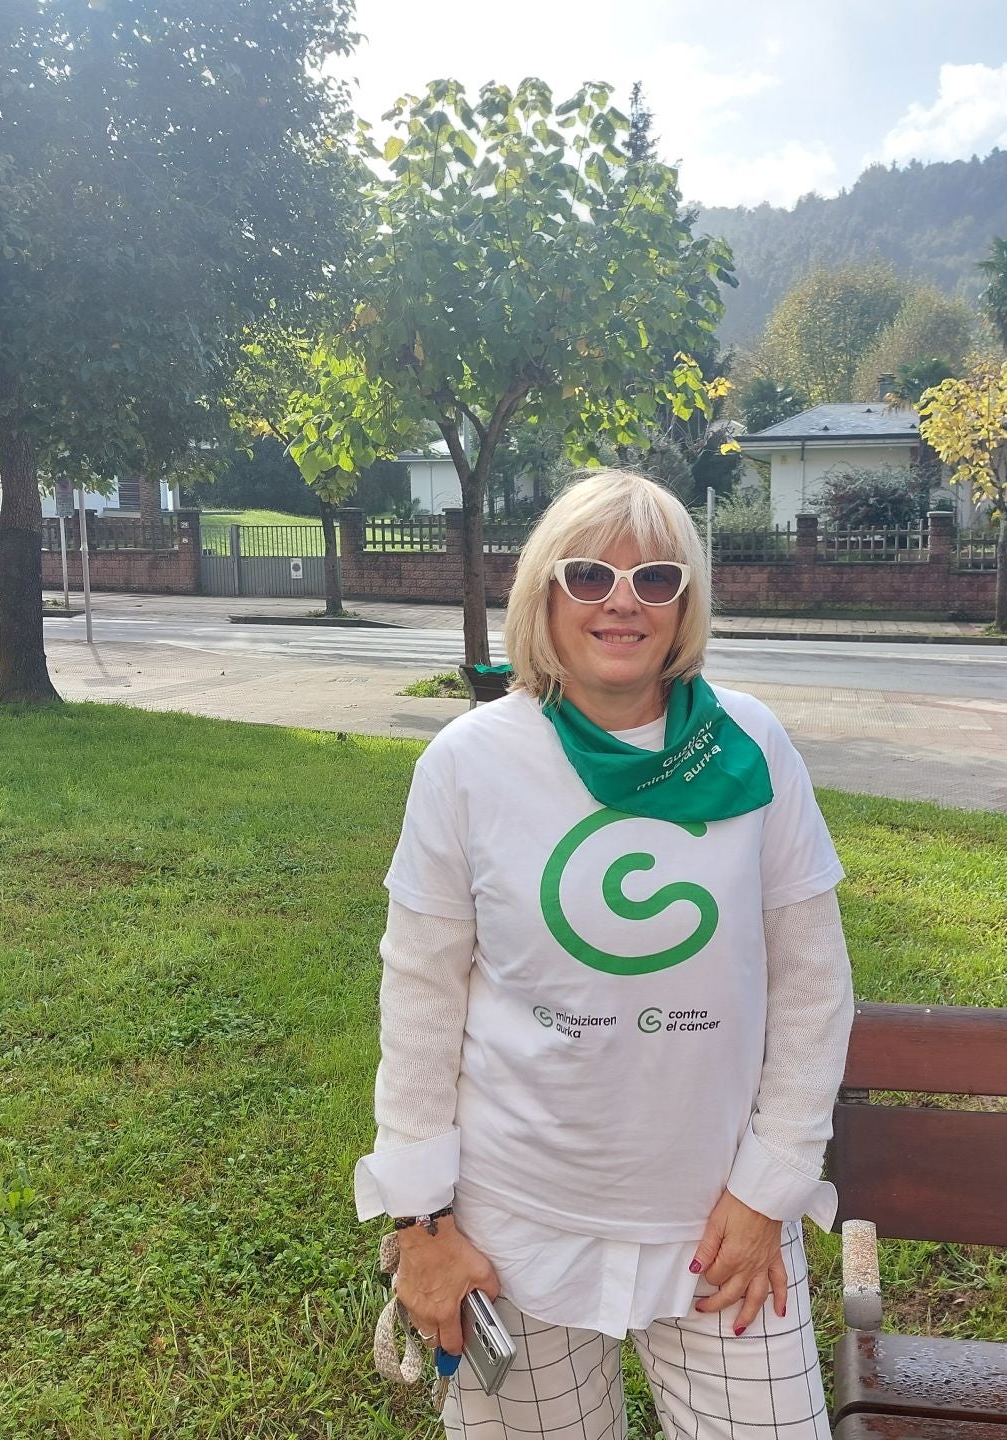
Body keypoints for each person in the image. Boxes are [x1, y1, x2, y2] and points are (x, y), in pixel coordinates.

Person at [355, 469, 855, 1439]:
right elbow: (419, 994)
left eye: (656, 580)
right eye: (589, 575)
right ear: (545, 592)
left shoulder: (752, 749)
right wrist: (423, 1228)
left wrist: (772, 1186)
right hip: (513, 1231)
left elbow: (812, 983)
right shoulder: (468, 763)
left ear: (684, 607)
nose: (622, 600)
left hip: (722, 1226)